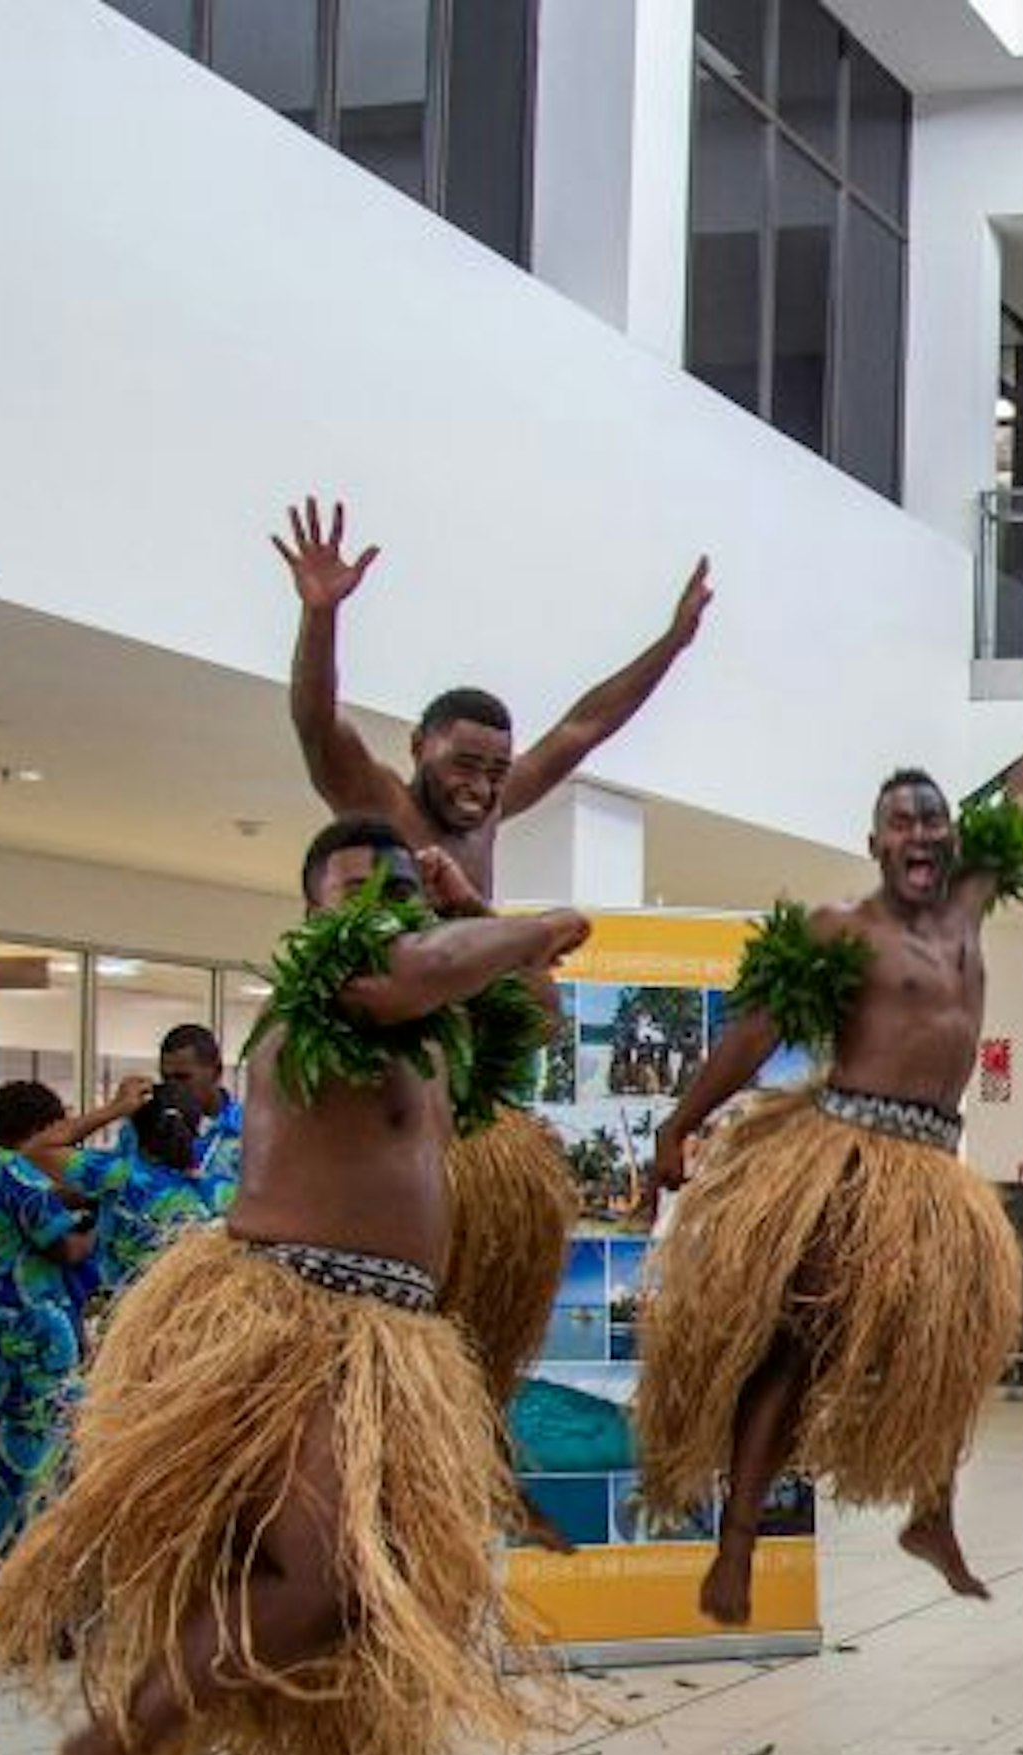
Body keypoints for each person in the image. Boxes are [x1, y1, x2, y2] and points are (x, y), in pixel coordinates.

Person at [0, 820, 585, 1755]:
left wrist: (468, 905)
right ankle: (120, 1738)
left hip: (390, 1337)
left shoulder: (428, 1025)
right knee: (324, 1576)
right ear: (313, 915)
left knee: (375, 1614)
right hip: (292, 1321)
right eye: (357, 889)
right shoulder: (336, 993)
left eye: (400, 891)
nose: (384, 907)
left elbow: (532, 1015)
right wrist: (532, 920)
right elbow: (429, 965)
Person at [641, 635, 1023, 1627]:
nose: (925, 832)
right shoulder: (838, 930)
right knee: (797, 1343)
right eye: (904, 821)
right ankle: (736, 1542)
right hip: (847, 1159)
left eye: (935, 817)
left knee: (955, 1336)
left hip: (936, 1163)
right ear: (876, 842)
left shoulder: (973, 903)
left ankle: (931, 1513)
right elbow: (751, 1032)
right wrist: (675, 1127)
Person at [274, 497, 698, 1421]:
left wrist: (670, 647)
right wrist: (321, 613)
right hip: (384, 1057)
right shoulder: (382, 804)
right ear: (419, 746)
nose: (480, 784)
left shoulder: (494, 811)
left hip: (464, 1087)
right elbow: (316, 725)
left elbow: (584, 728)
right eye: (464, 763)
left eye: (495, 770)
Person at [0, 1082, 106, 1599]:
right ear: (38, 1130)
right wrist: (108, 1219)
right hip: (29, 1341)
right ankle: (36, 1603)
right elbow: (67, 1247)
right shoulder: (14, 1171)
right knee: (45, 1471)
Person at [47, 1081, 229, 1318]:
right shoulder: (221, 1192)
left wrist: (114, 1108)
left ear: (134, 1130)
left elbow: (40, 1147)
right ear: (196, 1131)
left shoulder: (118, 1177)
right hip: (192, 1326)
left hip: (125, 1325)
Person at [152, 1023, 247, 1200]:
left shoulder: (247, 1133)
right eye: (166, 1078)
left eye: (183, 1078)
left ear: (216, 1072)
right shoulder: (150, 1127)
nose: (173, 1088)